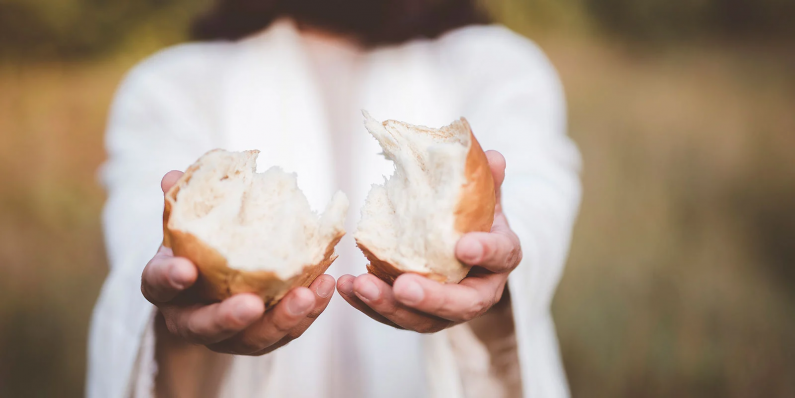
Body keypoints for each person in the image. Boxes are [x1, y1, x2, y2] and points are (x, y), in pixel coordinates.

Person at [87, 1, 581, 397]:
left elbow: (540, 198)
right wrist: (175, 302)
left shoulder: (496, 66)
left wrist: (497, 267)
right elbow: (140, 240)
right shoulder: (171, 85)